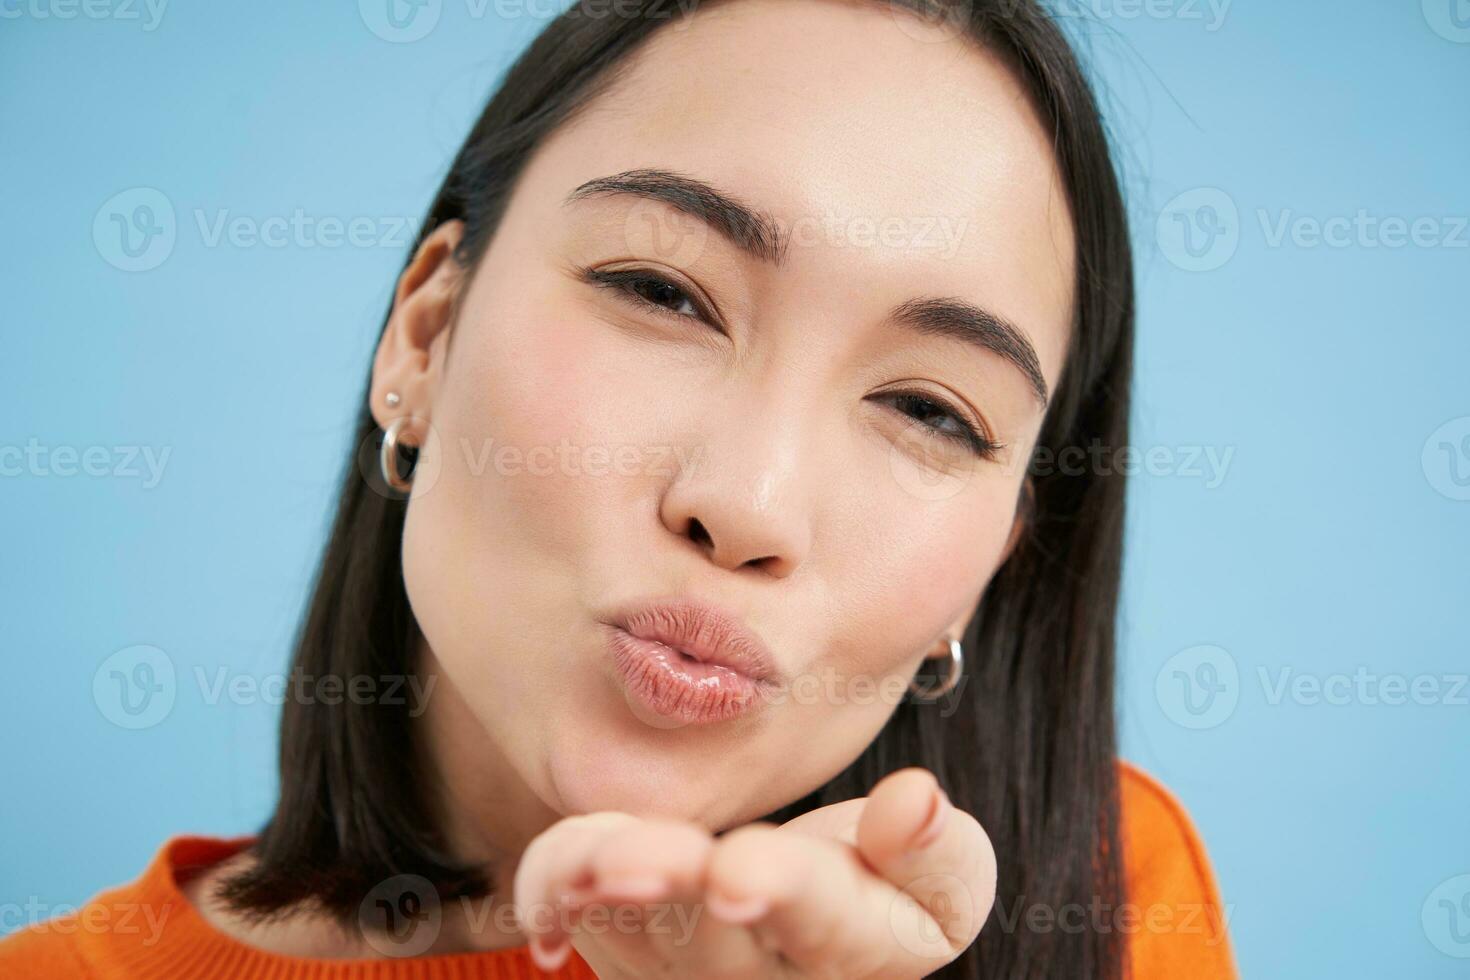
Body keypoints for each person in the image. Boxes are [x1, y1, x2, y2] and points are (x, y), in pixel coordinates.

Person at [0, 0, 1237, 976]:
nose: (747, 503)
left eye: (929, 409)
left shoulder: (1102, 891)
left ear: (995, 555)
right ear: (425, 335)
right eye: (664, 293)